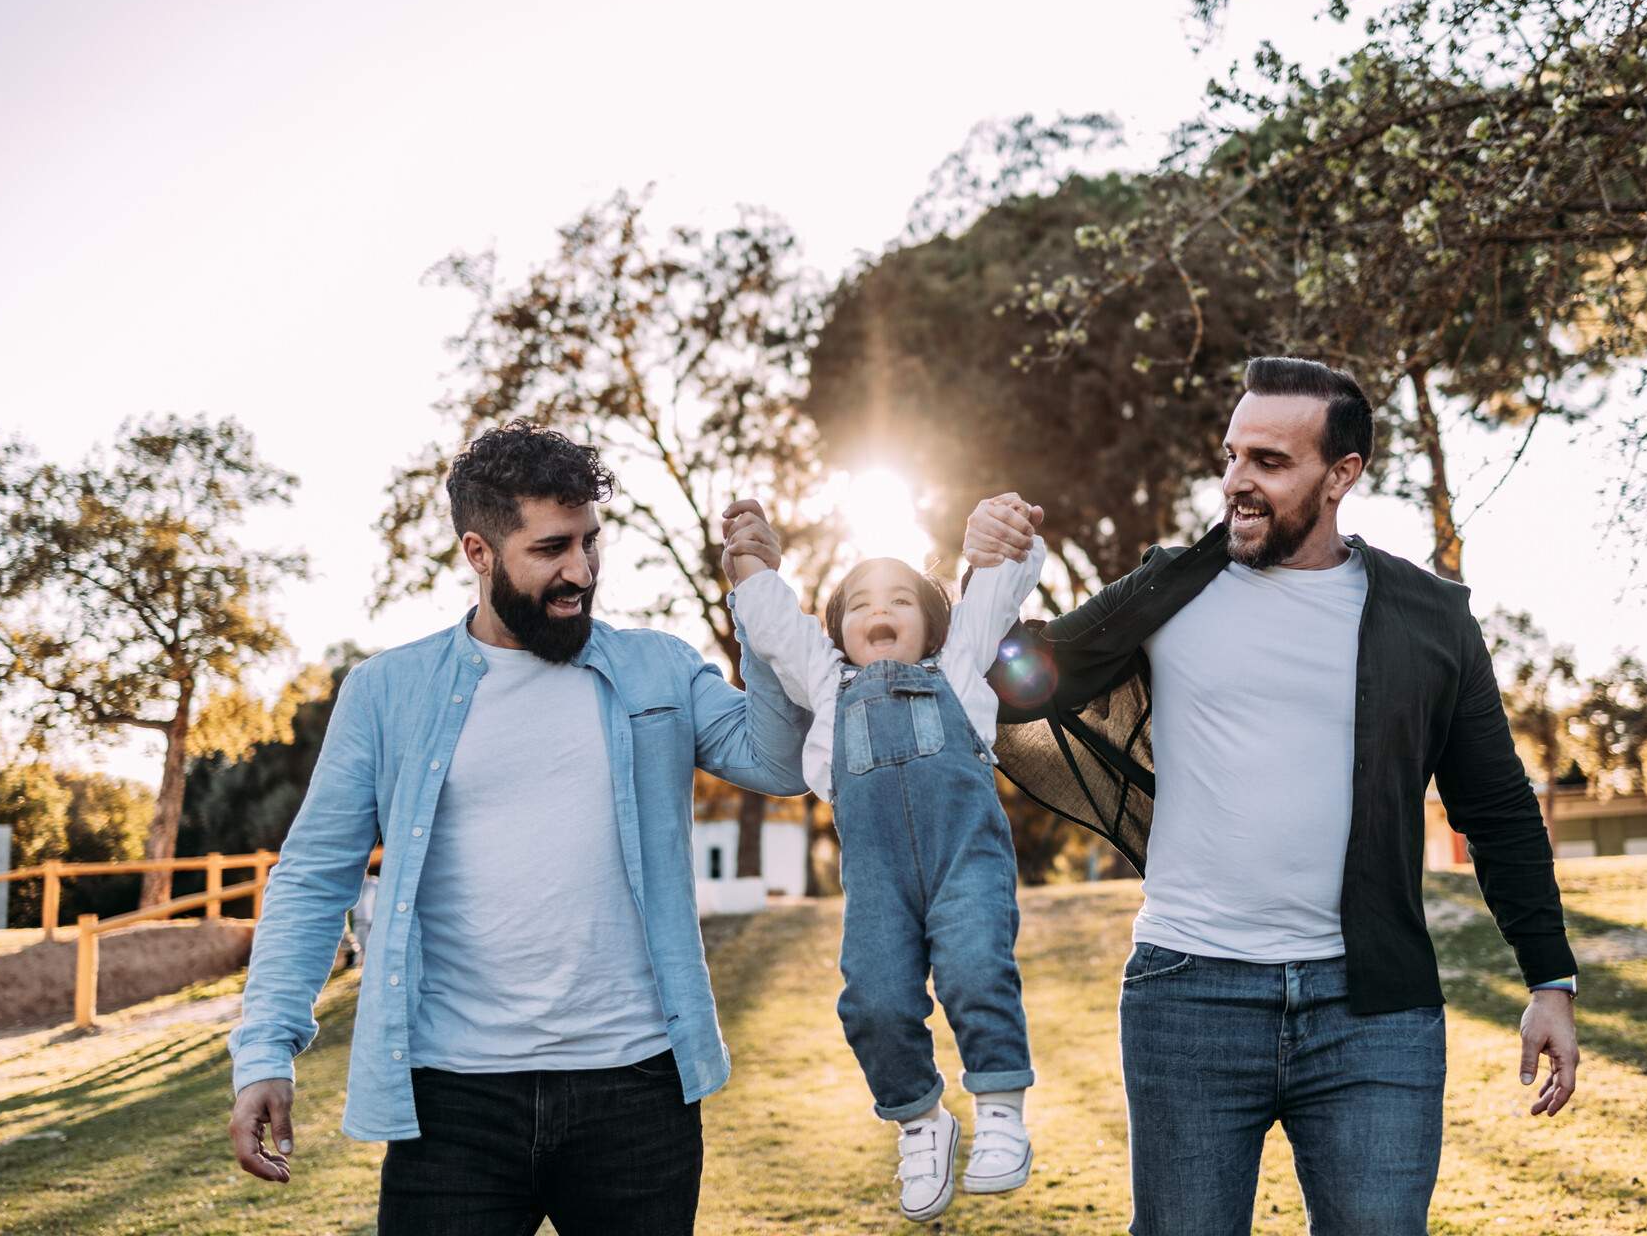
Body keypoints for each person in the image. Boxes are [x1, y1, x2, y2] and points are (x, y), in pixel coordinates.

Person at [963, 356, 1582, 1236]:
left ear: (1342, 476)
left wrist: (1548, 979)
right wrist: (985, 573)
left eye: (1267, 461)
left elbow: (1497, 808)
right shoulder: (1170, 586)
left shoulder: (1431, 618)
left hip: (1374, 1014)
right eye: (1230, 456)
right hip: (1189, 997)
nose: (1236, 483)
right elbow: (1014, 683)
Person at [225, 421, 811, 1235]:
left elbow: (782, 762)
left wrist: (761, 606)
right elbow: (315, 876)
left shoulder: (659, 667)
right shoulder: (386, 693)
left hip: (636, 1091)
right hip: (453, 1103)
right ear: (479, 552)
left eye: (591, 543)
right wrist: (265, 1050)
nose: (581, 571)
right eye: (551, 549)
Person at [729, 514, 1044, 1222]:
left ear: (933, 626)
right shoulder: (825, 684)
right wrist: (748, 561)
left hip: (966, 861)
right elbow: (776, 622)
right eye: (862, 602)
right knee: (871, 1001)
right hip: (878, 886)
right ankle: (922, 1122)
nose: (880, 610)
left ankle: (999, 1111)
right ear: (837, 631)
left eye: (901, 600)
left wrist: (1007, 536)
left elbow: (999, 588)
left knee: (975, 970)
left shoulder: (958, 666)